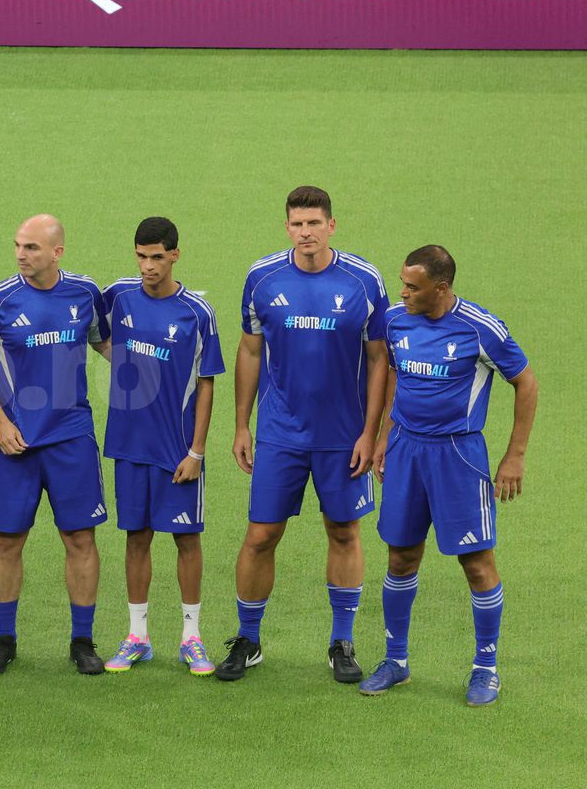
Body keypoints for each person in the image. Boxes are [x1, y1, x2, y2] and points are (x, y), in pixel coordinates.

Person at [220, 186, 389, 683]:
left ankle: (342, 641)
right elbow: (250, 351)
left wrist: (371, 433)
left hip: (343, 437)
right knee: (260, 535)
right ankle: (248, 639)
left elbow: (380, 360)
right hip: (280, 434)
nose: (306, 232)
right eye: (297, 224)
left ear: (331, 225)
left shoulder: (364, 281)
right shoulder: (262, 277)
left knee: (344, 531)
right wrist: (242, 424)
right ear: (287, 227)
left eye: (314, 223)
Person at [358, 246, 536, 706]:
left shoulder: (480, 328)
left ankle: (486, 668)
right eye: (402, 283)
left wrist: (514, 456)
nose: (402, 293)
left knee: (476, 562)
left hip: (459, 455)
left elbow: (526, 382)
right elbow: (394, 373)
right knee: (400, 557)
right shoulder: (396, 321)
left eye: (412, 286)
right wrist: (383, 436)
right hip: (406, 451)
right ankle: (396, 661)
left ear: (441, 288)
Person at [0, 214, 112, 677]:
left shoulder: (85, 294)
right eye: (18, 245)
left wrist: (157, 367)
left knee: (80, 538)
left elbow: (107, 345)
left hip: (72, 439)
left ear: (56, 252)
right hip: (16, 444)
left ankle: (82, 641)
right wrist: (0, 421)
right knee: (7, 540)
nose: (20, 255)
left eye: (31, 247)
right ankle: (4, 639)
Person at [101, 217, 224, 676]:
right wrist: (122, 361)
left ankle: (192, 638)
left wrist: (197, 452)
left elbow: (207, 384)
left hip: (177, 452)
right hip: (130, 445)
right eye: (141, 256)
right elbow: (92, 332)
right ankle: (138, 636)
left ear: (174, 255)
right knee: (137, 537)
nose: (148, 266)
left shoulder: (197, 313)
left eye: (156, 257)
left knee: (186, 539)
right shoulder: (119, 296)